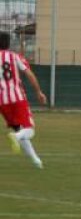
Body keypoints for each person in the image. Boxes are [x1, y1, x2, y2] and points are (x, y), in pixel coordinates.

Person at [0, 31, 47, 169]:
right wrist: (38, 92)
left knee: (19, 129)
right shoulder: (15, 57)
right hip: (17, 98)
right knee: (29, 130)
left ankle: (36, 161)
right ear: (8, 44)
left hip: (2, 101)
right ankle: (16, 137)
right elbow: (29, 74)